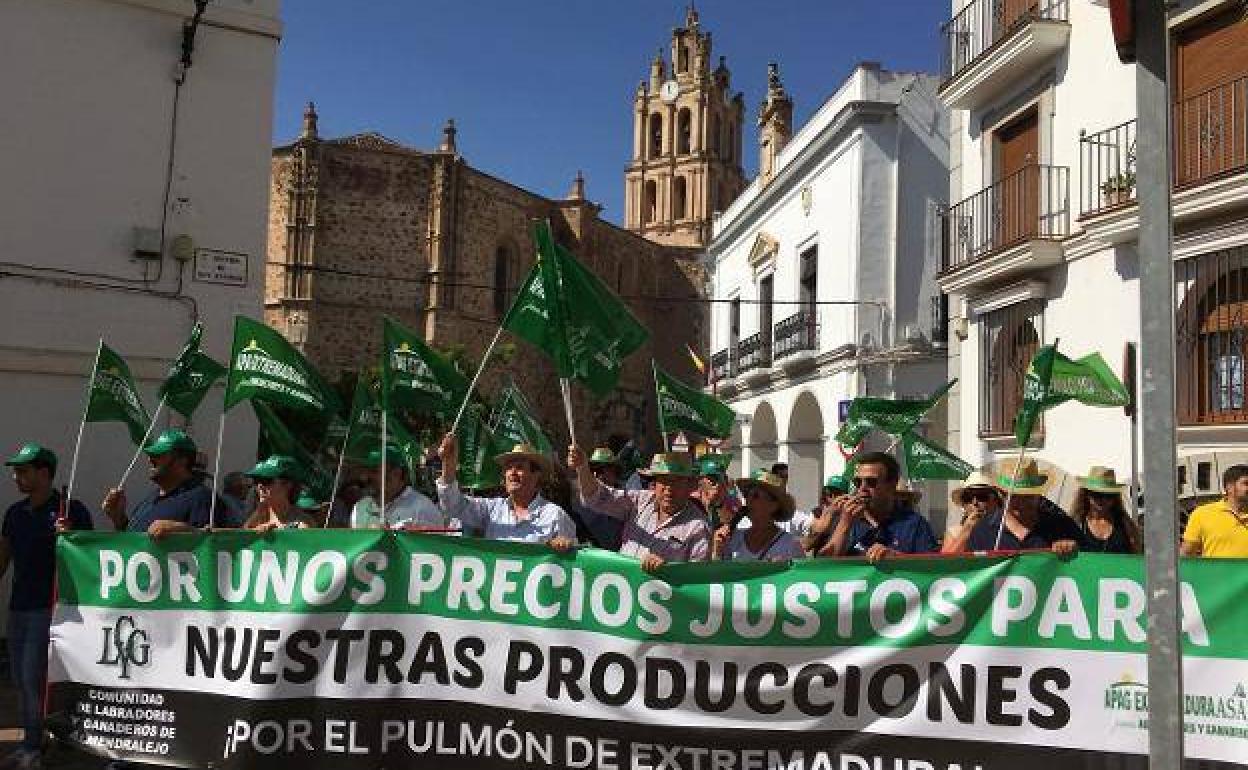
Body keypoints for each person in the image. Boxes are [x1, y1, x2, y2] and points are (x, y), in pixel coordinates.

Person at [1, 444, 92, 770]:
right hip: (19, 608)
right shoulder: (14, 513)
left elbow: (89, 557)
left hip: (51, 609)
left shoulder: (70, 510)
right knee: (23, 680)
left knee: (33, 678)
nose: (16, 476)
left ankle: (32, 746)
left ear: (44, 473)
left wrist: (70, 537)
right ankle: (39, 740)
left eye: (23, 470)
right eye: (16, 470)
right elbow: (4, 555)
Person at [565, 447, 710, 572]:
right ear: (654, 484)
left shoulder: (698, 527)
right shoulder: (641, 501)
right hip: (622, 591)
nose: (668, 489)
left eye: (676, 481)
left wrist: (668, 569)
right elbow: (597, 497)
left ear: (690, 486)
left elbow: (697, 580)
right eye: (663, 480)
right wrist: (582, 467)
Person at [437, 435, 574, 542]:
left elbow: (576, 560)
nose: (512, 473)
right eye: (508, 468)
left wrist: (565, 545)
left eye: (520, 467)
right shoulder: (492, 509)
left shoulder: (554, 515)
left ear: (535, 476)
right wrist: (448, 465)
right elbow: (452, 506)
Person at [101, 429, 237, 535]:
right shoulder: (151, 498)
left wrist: (183, 530)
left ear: (181, 460)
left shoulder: (201, 498)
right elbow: (132, 544)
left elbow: (211, 545)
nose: (150, 459)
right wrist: (118, 517)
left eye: (159, 454)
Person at [817, 452, 938, 562]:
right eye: (858, 482)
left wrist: (897, 558)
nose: (862, 488)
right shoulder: (845, 519)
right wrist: (844, 524)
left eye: (871, 482)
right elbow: (823, 566)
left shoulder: (915, 524)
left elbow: (932, 567)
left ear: (892, 484)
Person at [958, 459, 1083, 556]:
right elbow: (972, 574)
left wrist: (1075, 549)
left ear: (1039, 494)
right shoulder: (982, 530)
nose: (1021, 502)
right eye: (1014, 496)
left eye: (1027, 496)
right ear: (1002, 494)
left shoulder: (1061, 525)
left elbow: (1091, 562)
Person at [713, 469, 804, 561]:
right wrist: (718, 551)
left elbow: (801, 574)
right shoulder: (734, 538)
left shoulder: (790, 545)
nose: (748, 500)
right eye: (747, 495)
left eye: (756, 496)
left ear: (773, 505)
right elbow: (720, 572)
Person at [351, 447, 444, 530]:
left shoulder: (422, 508)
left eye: (374, 471)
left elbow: (434, 546)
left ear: (396, 474)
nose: (365, 477)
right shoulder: (361, 507)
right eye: (365, 471)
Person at [1181, 463, 1248, 558]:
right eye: (1246, 483)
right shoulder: (1202, 514)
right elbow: (1186, 555)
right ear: (1230, 487)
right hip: (1215, 573)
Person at [1071, 466, 1140, 554]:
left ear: (1115, 497)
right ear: (1086, 494)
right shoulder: (1075, 523)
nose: (1103, 500)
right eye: (1097, 494)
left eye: (1108, 495)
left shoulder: (1126, 525)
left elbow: (1136, 558)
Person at [242, 455, 319, 531]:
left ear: (287, 485)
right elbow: (240, 540)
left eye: (266, 481)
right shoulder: (256, 517)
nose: (260, 486)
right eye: (257, 480)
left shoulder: (302, 524)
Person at [940, 472, 1005, 554]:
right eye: (968, 497)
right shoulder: (955, 532)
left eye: (981, 496)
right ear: (963, 505)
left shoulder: (1001, 531)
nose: (974, 502)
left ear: (993, 501)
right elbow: (944, 563)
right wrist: (966, 531)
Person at [801, 473, 851, 555]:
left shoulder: (851, 514)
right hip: (822, 562)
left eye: (837, 493)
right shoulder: (817, 513)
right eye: (828, 493)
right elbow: (807, 545)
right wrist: (824, 525)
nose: (832, 497)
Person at [690, 455, 737, 529]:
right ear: (700, 480)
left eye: (722, 479)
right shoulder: (692, 503)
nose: (717, 485)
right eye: (712, 479)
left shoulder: (727, 504)